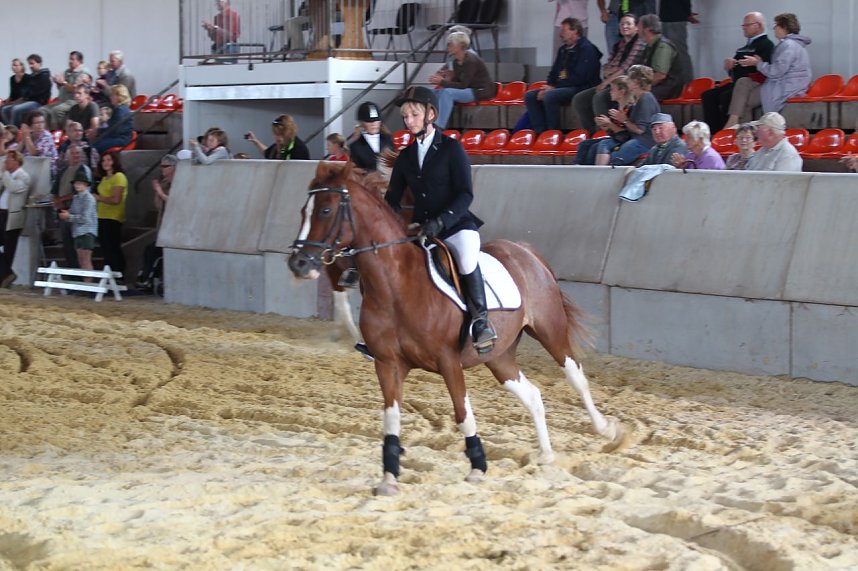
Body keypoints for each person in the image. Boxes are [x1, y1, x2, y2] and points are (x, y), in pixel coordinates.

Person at [385, 86, 497, 354]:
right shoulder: (406, 156)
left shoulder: (451, 148)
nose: (409, 121)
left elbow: (465, 194)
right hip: (421, 229)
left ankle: (481, 322)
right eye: (405, 116)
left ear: (430, 114)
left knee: (468, 258)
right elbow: (392, 198)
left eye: (414, 114)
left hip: (456, 225)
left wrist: (441, 222)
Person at [724, 13, 812, 128]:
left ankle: (740, 129)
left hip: (785, 86)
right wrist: (760, 63)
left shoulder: (789, 45)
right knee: (743, 83)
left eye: (776, 26)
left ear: (783, 27)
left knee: (745, 100)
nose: (774, 28)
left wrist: (758, 63)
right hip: (782, 83)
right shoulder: (790, 45)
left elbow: (776, 72)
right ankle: (737, 125)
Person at [572, 12, 646, 134]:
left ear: (637, 27)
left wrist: (607, 79)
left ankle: (605, 133)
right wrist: (610, 72)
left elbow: (625, 68)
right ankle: (591, 133)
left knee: (599, 97)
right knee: (579, 99)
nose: (624, 26)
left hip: (627, 84)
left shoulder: (639, 43)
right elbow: (607, 65)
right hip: (612, 81)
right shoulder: (619, 44)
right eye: (622, 24)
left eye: (628, 24)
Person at [525, 17, 602, 134]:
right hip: (563, 85)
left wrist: (554, 88)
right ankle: (540, 133)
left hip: (582, 87)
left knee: (550, 96)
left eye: (564, 31)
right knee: (530, 96)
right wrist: (548, 85)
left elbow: (580, 77)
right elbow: (554, 72)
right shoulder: (563, 50)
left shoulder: (587, 49)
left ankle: (553, 133)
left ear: (575, 31)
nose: (560, 34)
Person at [701, 12, 775, 133]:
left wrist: (755, 63)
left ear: (758, 25)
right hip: (737, 82)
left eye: (747, 25)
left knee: (726, 96)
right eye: (743, 25)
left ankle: (726, 132)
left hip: (753, 82)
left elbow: (766, 69)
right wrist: (730, 66)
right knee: (708, 95)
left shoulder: (767, 45)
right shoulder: (744, 47)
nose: (744, 28)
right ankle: (713, 132)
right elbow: (736, 69)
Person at [429, 30, 496, 130]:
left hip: (479, 91)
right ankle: (426, 122)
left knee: (448, 93)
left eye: (450, 44)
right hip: (468, 89)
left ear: (461, 45)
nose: (448, 47)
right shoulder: (456, 62)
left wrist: (442, 82)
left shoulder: (470, 61)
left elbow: (463, 85)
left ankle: (438, 127)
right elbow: (457, 83)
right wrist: (449, 78)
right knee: (434, 92)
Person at [136, 154, 177, 293]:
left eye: (165, 166)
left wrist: (160, 192)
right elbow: (158, 205)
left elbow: (174, 202)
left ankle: (150, 279)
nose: (162, 169)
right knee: (151, 250)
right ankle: (148, 279)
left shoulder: (178, 183)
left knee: (155, 252)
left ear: (174, 167)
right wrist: (157, 193)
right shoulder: (165, 183)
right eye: (161, 166)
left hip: (174, 226)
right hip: (163, 224)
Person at [52, 145, 94, 268]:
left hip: (77, 212)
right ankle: (73, 275)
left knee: (79, 248)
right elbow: (55, 190)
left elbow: (83, 190)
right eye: (73, 153)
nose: (76, 156)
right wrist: (58, 202)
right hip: (64, 211)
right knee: (67, 245)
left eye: (78, 153)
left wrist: (62, 199)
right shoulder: (63, 171)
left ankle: (81, 277)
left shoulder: (83, 169)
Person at [58, 166, 98, 280]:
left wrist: (69, 216)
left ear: (86, 185)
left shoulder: (89, 199)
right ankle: (86, 285)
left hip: (87, 231)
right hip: (77, 232)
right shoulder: (76, 198)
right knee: (81, 259)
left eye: (80, 183)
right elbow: (74, 212)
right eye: (76, 183)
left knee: (85, 259)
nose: (77, 185)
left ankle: (89, 286)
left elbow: (85, 218)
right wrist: (67, 213)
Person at [0, 150, 32, 287]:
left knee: (9, 248)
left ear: (16, 161)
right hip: (1, 213)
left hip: (12, 216)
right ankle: (7, 274)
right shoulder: (5, 176)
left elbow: (14, 188)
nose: (6, 161)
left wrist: (5, 173)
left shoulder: (24, 176)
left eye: (9, 159)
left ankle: (5, 277)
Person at [94, 150, 128, 277]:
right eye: (103, 160)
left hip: (113, 217)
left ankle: (118, 274)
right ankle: (109, 275)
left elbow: (116, 199)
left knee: (113, 247)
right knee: (105, 248)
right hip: (101, 215)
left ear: (114, 162)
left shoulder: (119, 177)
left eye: (109, 160)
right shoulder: (104, 178)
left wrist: (98, 198)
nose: (106, 163)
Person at [638, 14, 687, 101]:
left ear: (647, 29)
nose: (637, 29)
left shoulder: (663, 46)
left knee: (641, 97)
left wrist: (640, 87)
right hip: (658, 85)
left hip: (669, 87)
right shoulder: (649, 46)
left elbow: (660, 76)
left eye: (639, 26)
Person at [42, 51, 90, 130]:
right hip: (62, 100)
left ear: (79, 61)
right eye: (69, 59)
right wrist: (58, 83)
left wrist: (63, 82)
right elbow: (63, 88)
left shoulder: (83, 73)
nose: (70, 61)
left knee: (56, 110)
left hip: (73, 101)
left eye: (72, 59)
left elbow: (75, 89)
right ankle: (46, 133)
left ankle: (57, 131)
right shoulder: (67, 72)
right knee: (43, 110)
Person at [4, 54, 51, 127]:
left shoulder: (44, 76)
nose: (30, 66)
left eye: (32, 63)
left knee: (16, 109)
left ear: (39, 63)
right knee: (5, 109)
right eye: (29, 64)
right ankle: (8, 128)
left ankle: (14, 131)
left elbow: (36, 93)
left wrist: (26, 97)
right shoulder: (32, 76)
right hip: (28, 101)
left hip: (37, 102)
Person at [347, 101, 394, 172]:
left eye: (376, 120)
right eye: (369, 121)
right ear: (361, 123)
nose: (373, 124)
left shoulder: (389, 140)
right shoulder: (355, 147)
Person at [659, 0, 698, 80]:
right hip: (667, 17)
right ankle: (677, 84)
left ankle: (688, 84)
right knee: (669, 55)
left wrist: (687, 12)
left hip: (675, 18)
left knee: (680, 53)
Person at [245, 114, 310, 160]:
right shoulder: (277, 147)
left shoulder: (299, 148)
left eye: (281, 134)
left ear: (289, 133)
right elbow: (267, 153)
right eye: (275, 134)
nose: (277, 138)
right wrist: (255, 141)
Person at [91, 85, 133, 155]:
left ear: (119, 96)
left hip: (121, 139)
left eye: (112, 95)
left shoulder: (120, 110)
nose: (110, 97)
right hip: (119, 137)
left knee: (95, 146)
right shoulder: (121, 108)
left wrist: (97, 131)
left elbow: (113, 130)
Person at [19, 109, 58, 178]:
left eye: (42, 122)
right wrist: (25, 136)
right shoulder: (29, 136)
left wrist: (27, 136)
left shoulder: (47, 136)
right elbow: (17, 153)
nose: (40, 125)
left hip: (46, 172)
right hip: (31, 170)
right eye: (37, 123)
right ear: (30, 126)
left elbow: (34, 154)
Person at [0, 59, 29, 126]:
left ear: (21, 66)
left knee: (6, 109)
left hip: (23, 101)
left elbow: (25, 96)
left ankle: (12, 128)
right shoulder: (12, 78)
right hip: (14, 101)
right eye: (13, 65)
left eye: (16, 65)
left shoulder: (27, 77)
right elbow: (12, 94)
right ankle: (6, 126)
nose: (13, 67)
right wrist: (5, 103)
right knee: (1, 108)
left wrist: (11, 103)